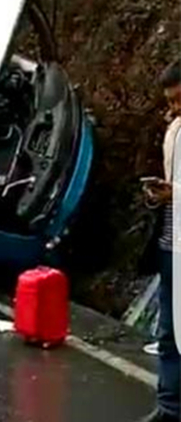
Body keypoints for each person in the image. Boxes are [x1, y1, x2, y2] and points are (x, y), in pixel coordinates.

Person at [137, 59, 181, 422]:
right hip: (171, 246)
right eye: (170, 101)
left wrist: (175, 193)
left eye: (180, 99)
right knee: (169, 335)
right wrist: (159, 196)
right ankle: (169, 407)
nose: (175, 108)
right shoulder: (173, 132)